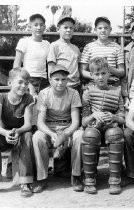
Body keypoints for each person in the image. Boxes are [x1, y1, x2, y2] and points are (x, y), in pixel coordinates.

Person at [32, 64, 83, 193]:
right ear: (50, 80)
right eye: (57, 79)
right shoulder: (44, 94)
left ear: (67, 80)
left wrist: (65, 134)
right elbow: (40, 122)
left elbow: (76, 121)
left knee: (80, 136)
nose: (60, 82)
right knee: (37, 137)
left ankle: (76, 176)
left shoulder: (73, 93)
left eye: (63, 79)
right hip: (49, 127)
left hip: (67, 127)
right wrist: (51, 134)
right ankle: (41, 178)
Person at [81, 57, 124, 195]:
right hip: (94, 126)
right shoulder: (87, 92)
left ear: (109, 74)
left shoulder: (117, 91)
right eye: (97, 74)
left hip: (111, 126)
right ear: (92, 75)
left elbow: (123, 118)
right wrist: (94, 115)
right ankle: (89, 179)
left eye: (103, 73)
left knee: (115, 134)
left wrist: (114, 117)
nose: (100, 77)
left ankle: (115, 179)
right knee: (90, 135)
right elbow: (84, 121)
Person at [0, 68, 35, 197]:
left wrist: (18, 131)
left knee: (28, 136)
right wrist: (5, 133)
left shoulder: (28, 99)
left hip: (20, 133)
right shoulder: (2, 98)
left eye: (26, 83)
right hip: (3, 134)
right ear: (9, 83)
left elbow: (27, 124)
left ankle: (25, 182)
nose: (24, 86)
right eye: (20, 82)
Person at [80, 16, 125, 88]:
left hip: (112, 85)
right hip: (93, 85)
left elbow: (122, 72)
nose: (103, 30)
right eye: (100, 28)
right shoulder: (88, 47)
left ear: (110, 29)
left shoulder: (117, 47)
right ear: (95, 30)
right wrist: (98, 77)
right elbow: (82, 71)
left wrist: (108, 68)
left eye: (106, 28)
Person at [13, 13, 50, 97]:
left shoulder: (47, 44)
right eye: (35, 25)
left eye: (41, 25)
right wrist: (27, 84)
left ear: (44, 27)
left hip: (43, 80)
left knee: (42, 107)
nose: (39, 28)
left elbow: (50, 64)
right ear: (30, 26)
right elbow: (16, 65)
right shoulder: (24, 41)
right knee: (28, 106)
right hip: (28, 79)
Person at [47, 14, 81, 94]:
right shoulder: (55, 45)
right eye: (65, 27)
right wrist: (53, 86)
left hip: (76, 86)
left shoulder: (76, 48)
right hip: (61, 86)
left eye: (71, 28)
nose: (68, 30)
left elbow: (78, 67)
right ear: (59, 29)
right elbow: (51, 68)